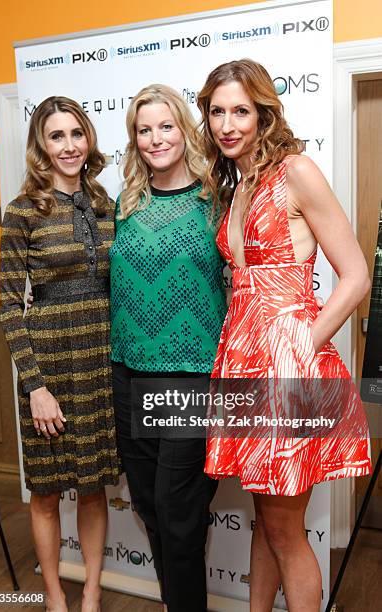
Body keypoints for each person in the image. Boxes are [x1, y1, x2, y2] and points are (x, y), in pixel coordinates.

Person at [197, 59, 372, 612]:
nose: (228, 124)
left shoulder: (295, 171)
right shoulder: (237, 183)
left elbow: (357, 274)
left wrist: (304, 342)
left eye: (240, 111)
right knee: (265, 521)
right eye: (217, 111)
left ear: (263, 113)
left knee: (285, 530)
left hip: (288, 368)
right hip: (244, 363)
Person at [0, 96, 120, 612]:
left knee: (93, 488)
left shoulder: (105, 202)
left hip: (100, 357)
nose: (69, 145)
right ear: (40, 147)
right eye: (56, 136)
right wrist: (35, 388)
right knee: (47, 492)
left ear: (87, 139)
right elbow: (8, 305)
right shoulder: (22, 211)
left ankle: (91, 589)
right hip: (48, 365)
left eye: (76, 133)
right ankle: (53, 593)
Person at [109, 84, 227, 612]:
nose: (155, 138)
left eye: (165, 126)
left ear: (185, 129)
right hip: (127, 375)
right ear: (134, 139)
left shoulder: (217, 200)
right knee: (150, 508)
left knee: (178, 513)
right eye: (143, 129)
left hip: (188, 378)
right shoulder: (126, 203)